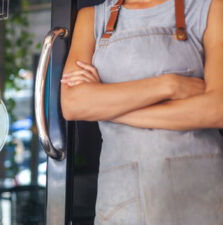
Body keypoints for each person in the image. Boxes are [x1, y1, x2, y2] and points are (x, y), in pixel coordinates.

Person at [60, 0, 223, 224]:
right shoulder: (91, 18)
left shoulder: (211, 7)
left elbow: (216, 109)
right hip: (120, 201)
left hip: (197, 193)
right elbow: (73, 105)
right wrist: (169, 85)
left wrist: (104, 106)